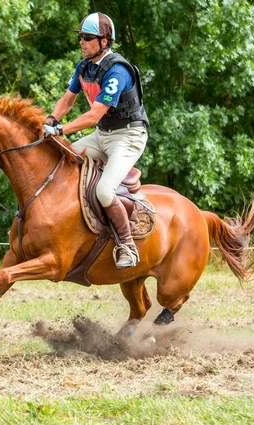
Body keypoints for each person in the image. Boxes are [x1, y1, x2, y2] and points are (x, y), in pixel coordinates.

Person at [43, 12, 149, 269]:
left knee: (103, 190)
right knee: (59, 161)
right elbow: (67, 101)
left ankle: (127, 245)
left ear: (104, 40)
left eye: (87, 38)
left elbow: (94, 114)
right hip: (102, 136)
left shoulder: (118, 70)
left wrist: (61, 130)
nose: (82, 42)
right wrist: (50, 119)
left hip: (128, 136)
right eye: (81, 37)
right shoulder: (84, 66)